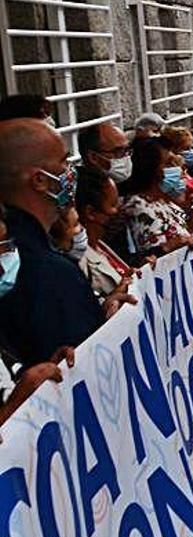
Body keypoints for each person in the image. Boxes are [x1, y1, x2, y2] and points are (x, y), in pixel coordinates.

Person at [0, 119, 132, 367]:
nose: (70, 173)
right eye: (64, 162)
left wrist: (102, 314)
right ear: (40, 180)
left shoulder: (20, 250)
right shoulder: (45, 270)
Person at [119, 137, 193, 263]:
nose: (177, 169)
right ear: (151, 169)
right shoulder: (138, 207)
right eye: (168, 163)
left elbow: (183, 237)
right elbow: (155, 257)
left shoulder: (164, 200)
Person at [73, 167, 134, 301]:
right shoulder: (80, 262)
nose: (119, 209)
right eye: (113, 204)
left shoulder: (100, 245)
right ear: (91, 213)